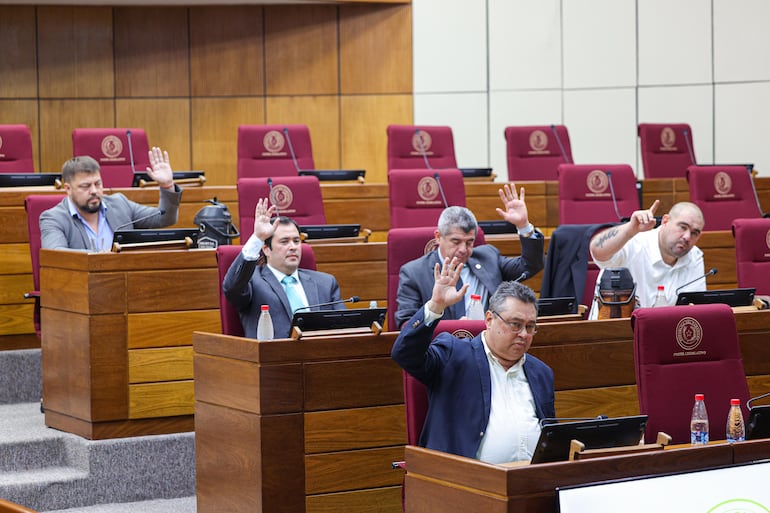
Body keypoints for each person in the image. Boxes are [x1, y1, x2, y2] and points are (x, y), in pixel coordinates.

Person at [391, 257, 555, 463]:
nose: (523, 334)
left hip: (530, 481)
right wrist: (435, 305)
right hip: (465, 483)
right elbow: (404, 353)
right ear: (489, 320)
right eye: (515, 324)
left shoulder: (541, 373)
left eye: (530, 327)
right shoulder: (454, 355)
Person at [395, 184, 544, 328]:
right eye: (456, 241)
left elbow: (531, 265)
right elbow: (406, 324)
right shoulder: (414, 273)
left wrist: (523, 226)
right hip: (442, 347)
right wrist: (451, 325)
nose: (463, 250)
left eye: (469, 242)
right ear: (438, 237)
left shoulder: (488, 257)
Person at [222, 198, 345, 339]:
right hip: (273, 358)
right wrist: (258, 237)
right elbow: (231, 287)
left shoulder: (325, 283)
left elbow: (343, 328)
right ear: (266, 249)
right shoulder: (252, 282)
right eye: (284, 242)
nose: (293, 247)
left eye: (296, 241)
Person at [40, 148, 182, 251]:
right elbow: (56, 253)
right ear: (68, 188)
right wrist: (104, 257)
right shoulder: (54, 218)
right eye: (85, 186)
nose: (94, 191)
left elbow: (165, 218)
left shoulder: (120, 204)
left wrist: (167, 186)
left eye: (98, 184)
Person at [588, 200, 705, 318]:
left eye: (694, 233)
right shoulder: (635, 242)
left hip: (664, 332)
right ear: (665, 221)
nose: (687, 237)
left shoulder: (694, 256)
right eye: (683, 227)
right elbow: (597, 251)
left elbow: (695, 308)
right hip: (616, 331)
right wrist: (630, 228)